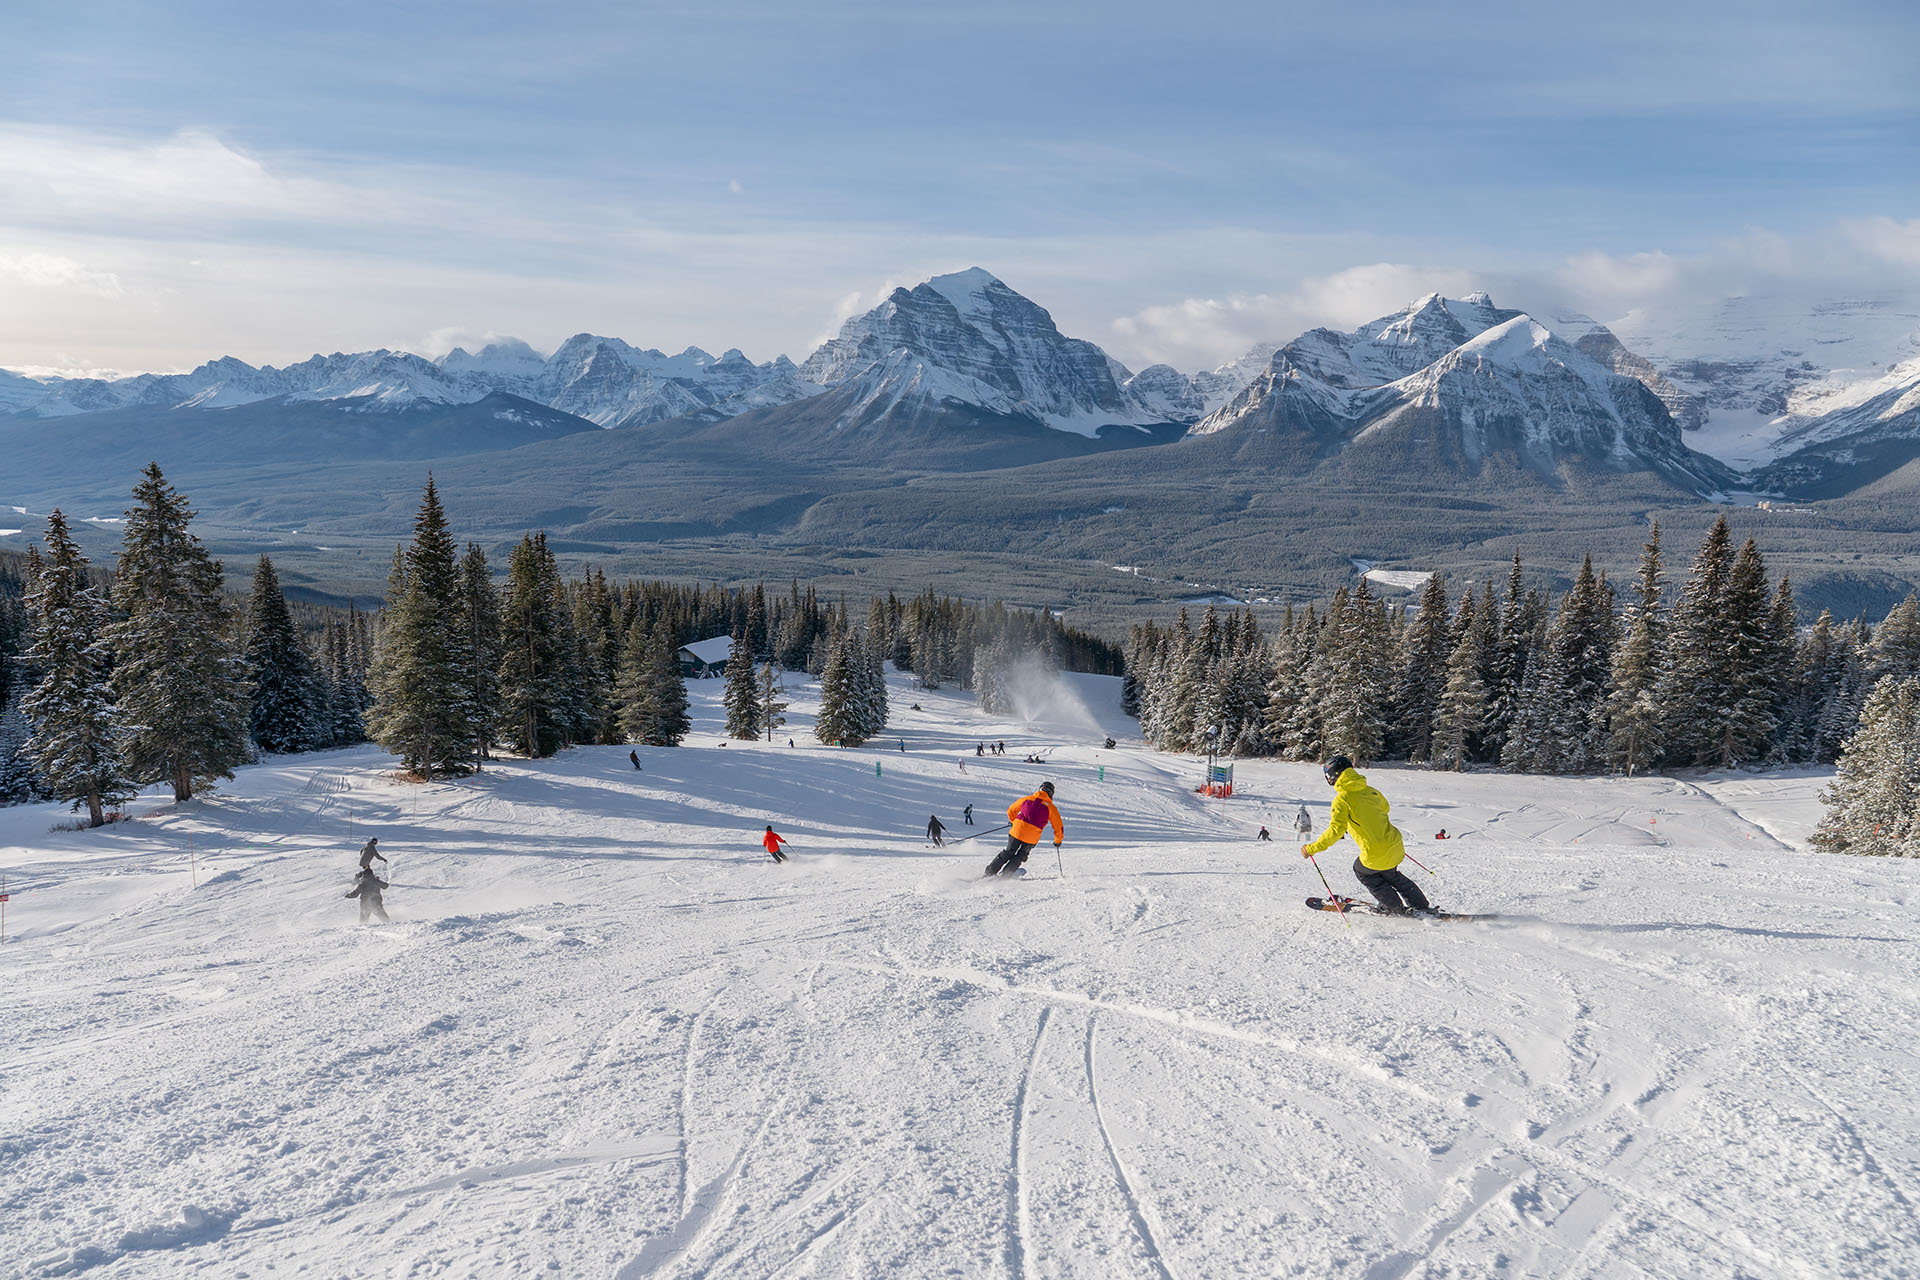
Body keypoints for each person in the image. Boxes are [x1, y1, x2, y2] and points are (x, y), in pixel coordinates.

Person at [1299, 755, 1431, 914]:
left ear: (1333, 775)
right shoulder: (1371, 791)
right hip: (1395, 845)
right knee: (1391, 874)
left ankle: (1393, 907)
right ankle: (1421, 905)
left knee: (1362, 871)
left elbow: (1335, 831)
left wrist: (1312, 848)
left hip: (1375, 851)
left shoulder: (1342, 799)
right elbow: (1385, 809)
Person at [985, 782, 1063, 877]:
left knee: (1008, 852)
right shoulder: (1051, 808)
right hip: (1031, 837)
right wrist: (1057, 841)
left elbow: (1011, 811)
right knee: (1021, 855)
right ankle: (1006, 875)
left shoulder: (1027, 799)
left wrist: (1014, 822)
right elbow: (1058, 827)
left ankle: (989, 873)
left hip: (1017, 831)